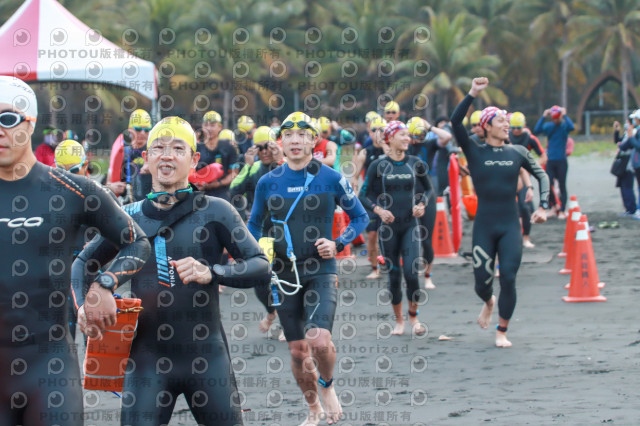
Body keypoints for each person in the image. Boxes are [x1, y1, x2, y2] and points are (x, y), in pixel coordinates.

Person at [74, 116, 271, 426]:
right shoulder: (127, 217)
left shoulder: (216, 211)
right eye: (159, 148)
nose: (167, 156)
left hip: (206, 359)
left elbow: (261, 266)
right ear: (146, 158)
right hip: (147, 361)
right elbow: (83, 263)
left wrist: (213, 272)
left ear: (194, 159)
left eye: (178, 148)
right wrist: (84, 305)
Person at [0, 75, 150, 425]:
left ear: (30, 124)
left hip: (48, 369)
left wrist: (105, 284)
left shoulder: (73, 190)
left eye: (7, 119)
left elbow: (136, 241)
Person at [248, 112, 368, 426]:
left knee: (319, 341)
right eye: (289, 135)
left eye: (303, 135)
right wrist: (258, 250)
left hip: (321, 269)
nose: (295, 141)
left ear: (313, 140)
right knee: (299, 352)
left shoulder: (330, 177)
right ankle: (313, 408)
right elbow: (254, 224)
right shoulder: (268, 182)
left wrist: (338, 243)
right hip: (283, 274)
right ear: (281, 142)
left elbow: (361, 217)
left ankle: (327, 385)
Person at [450, 77, 550, 348]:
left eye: (507, 121)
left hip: (509, 226)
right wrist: (472, 93)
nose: (507, 125)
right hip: (484, 225)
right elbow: (456, 122)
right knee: (481, 284)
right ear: (487, 126)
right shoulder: (474, 150)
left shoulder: (518, 152)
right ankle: (488, 301)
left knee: (508, 276)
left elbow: (542, 175)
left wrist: (543, 206)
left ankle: (502, 331)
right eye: (501, 121)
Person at [360, 121, 431, 335]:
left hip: (410, 225)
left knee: (411, 272)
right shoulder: (378, 165)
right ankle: (399, 320)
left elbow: (429, 189)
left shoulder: (415, 163)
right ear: (390, 138)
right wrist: (379, 210)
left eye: (408, 135)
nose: (407, 138)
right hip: (388, 228)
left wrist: (421, 204)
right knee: (394, 274)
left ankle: (414, 317)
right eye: (402, 135)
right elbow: (363, 195)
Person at [406, 116, 453, 288]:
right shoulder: (405, 147)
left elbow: (447, 137)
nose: (417, 138)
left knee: (426, 239)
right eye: (414, 134)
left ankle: (427, 276)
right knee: (408, 237)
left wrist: (430, 126)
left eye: (420, 134)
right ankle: (410, 271)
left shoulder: (429, 144)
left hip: (427, 193)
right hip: (407, 194)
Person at [352, 116, 388, 279]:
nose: (378, 133)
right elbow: (354, 177)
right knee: (372, 235)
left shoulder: (391, 150)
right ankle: (375, 268)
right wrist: (353, 195)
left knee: (389, 235)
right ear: (369, 132)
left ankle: (392, 263)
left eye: (381, 130)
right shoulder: (365, 152)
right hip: (371, 198)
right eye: (374, 130)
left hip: (390, 197)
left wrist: (385, 145)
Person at [508, 112, 547, 247]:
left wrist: (531, 167)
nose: (515, 131)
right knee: (508, 208)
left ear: (524, 125)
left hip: (524, 177)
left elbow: (543, 157)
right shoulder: (506, 137)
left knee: (525, 207)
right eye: (513, 127)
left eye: (518, 128)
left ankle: (526, 238)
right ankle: (510, 237)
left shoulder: (530, 138)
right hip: (508, 176)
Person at [533, 105, 574, 219]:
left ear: (560, 117)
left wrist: (565, 115)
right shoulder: (549, 126)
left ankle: (562, 210)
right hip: (550, 160)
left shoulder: (564, 126)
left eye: (557, 118)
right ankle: (554, 206)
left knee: (562, 185)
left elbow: (572, 127)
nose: (556, 120)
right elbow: (537, 130)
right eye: (554, 118)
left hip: (561, 160)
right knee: (548, 184)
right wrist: (543, 116)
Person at [107, 109, 153, 203]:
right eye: (138, 129)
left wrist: (154, 169)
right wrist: (112, 187)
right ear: (130, 130)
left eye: (146, 130)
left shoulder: (155, 151)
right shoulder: (121, 151)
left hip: (150, 204)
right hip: (128, 205)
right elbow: (107, 184)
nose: (143, 133)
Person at [195, 111, 239, 201]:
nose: (209, 128)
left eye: (212, 125)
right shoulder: (196, 148)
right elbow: (189, 172)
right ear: (202, 126)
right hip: (199, 194)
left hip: (221, 194)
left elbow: (234, 173)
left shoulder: (228, 147)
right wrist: (195, 184)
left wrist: (218, 184)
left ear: (220, 127)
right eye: (206, 125)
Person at [618, 113, 640, 219]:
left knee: (630, 187)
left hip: (634, 163)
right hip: (635, 163)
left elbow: (636, 146)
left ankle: (634, 209)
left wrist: (630, 136)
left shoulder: (636, 132)